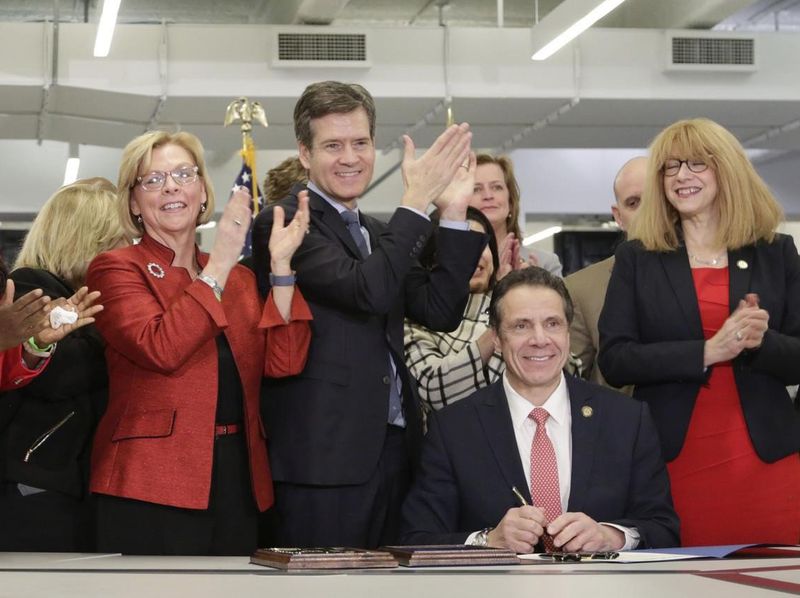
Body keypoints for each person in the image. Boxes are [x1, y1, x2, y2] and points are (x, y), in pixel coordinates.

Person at [252, 80, 485, 548]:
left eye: (360, 143)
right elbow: (368, 291)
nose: (350, 157)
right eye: (332, 145)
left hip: (396, 452)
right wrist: (415, 202)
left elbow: (438, 310)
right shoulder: (285, 223)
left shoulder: (380, 233)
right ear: (304, 153)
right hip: (324, 462)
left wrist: (454, 211)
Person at [86, 130, 312, 555]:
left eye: (183, 174)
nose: (170, 186)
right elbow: (161, 347)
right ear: (134, 203)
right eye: (152, 180)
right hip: (151, 482)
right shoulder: (115, 269)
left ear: (202, 191)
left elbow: (285, 362)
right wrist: (221, 264)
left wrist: (281, 270)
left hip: (238, 478)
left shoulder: (241, 279)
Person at [598, 118, 800, 546]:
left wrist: (761, 343)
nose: (682, 176)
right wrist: (707, 351)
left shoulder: (775, 252)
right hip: (673, 462)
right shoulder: (638, 257)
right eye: (670, 168)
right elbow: (615, 359)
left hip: (766, 461)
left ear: (726, 170)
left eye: (696, 164)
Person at [400, 268, 679, 551]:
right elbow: (416, 539)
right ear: (496, 338)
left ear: (568, 333)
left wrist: (612, 537)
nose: (540, 339)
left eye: (552, 323)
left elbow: (663, 529)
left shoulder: (627, 420)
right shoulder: (453, 429)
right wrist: (487, 540)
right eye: (521, 325)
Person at [1, 178, 128, 552]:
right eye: (120, 239)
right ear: (91, 241)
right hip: (35, 487)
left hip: (62, 486)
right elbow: (57, 376)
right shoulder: (30, 289)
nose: (128, 251)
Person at [404, 206, 507, 411]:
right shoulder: (415, 321)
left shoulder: (520, 306)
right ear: (433, 259)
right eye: (462, 245)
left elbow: (570, 368)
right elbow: (431, 390)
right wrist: (504, 326)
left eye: (480, 243)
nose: (475, 255)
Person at [564, 157, 645, 391]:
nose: (647, 212)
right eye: (633, 203)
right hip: (618, 424)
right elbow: (572, 383)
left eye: (657, 200)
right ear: (618, 216)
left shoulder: (703, 273)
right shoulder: (581, 288)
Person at [470, 153, 562, 276]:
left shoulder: (546, 263)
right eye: (476, 189)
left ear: (511, 202)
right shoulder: (452, 263)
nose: (488, 196)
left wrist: (536, 287)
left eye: (497, 187)